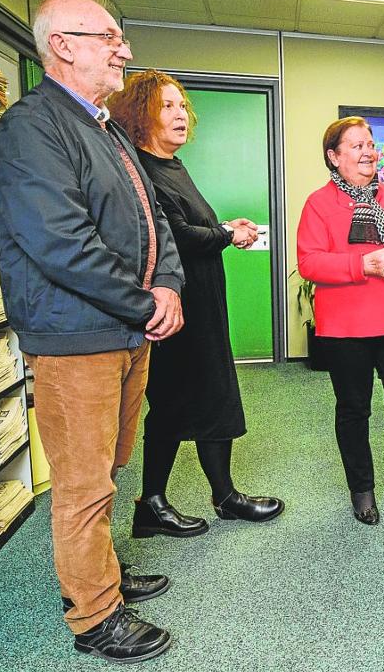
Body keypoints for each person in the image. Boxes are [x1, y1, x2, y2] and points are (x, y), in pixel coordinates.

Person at [0, 0, 182, 662]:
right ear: (61, 46)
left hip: (123, 334)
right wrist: (145, 300)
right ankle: (95, 616)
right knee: (83, 482)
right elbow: (60, 243)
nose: (122, 48)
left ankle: (103, 577)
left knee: (109, 467)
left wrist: (169, 284)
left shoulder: (103, 128)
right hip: (78, 339)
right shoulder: (30, 128)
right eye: (106, 37)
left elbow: (153, 219)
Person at [106, 70, 284, 537]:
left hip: (201, 304)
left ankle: (213, 496)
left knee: (207, 398)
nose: (181, 114)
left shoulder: (171, 166)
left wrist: (224, 227)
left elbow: (188, 225)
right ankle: (157, 503)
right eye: (168, 106)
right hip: (174, 309)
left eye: (182, 105)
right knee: (176, 403)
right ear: (140, 115)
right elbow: (177, 239)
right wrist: (227, 234)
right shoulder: (143, 172)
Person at [297, 116, 384, 525]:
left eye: (370, 144)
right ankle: (362, 489)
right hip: (346, 330)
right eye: (356, 146)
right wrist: (365, 263)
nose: (368, 152)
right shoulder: (318, 204)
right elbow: (309, 262)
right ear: (334, 157)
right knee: (354, 410)